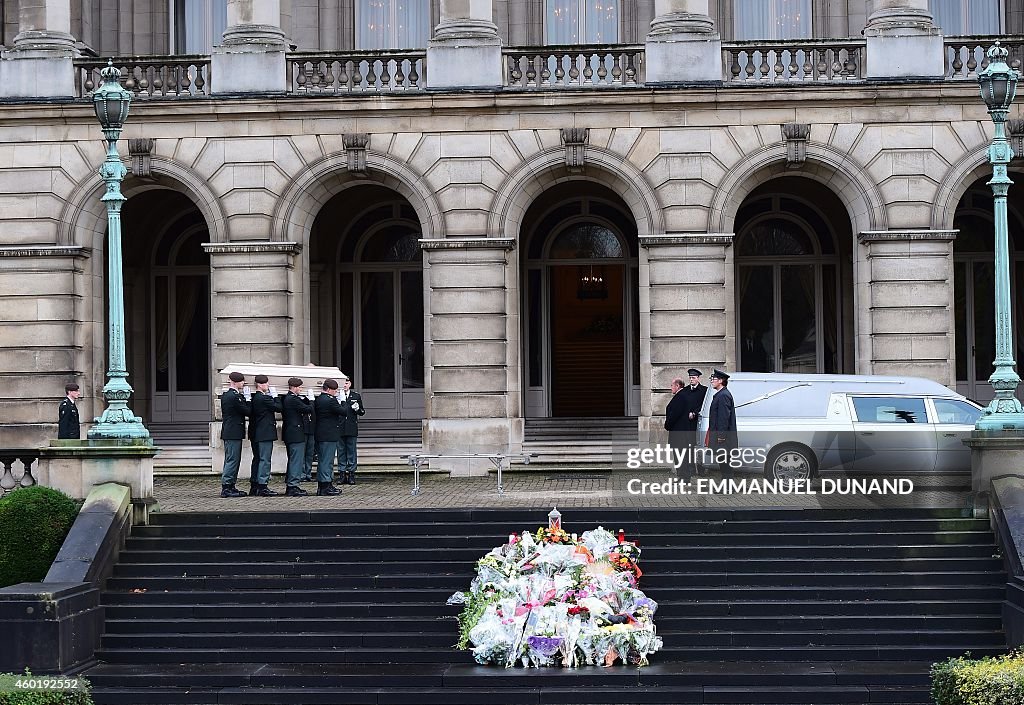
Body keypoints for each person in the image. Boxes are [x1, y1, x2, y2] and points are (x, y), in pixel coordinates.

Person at [664, 369, 707, 478]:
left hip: (697, 422)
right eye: (690, 378)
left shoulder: (704, 390)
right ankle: (689, 471)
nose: (691, 379)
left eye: (693, 377)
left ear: (698, 378)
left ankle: (697, 470)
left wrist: (695, 413)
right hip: (686, 424)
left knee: (696, 447)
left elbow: (704, 406)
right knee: (687, 449)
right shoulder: (685, 391)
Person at [247, 374, 282, 497]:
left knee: (257, 459)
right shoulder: (264, 398)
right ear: (260, 385)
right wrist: (276, 396)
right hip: (265, 433)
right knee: (265, 460)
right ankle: (263, 486)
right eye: (267, 384)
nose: (268, 386)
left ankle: (254, 486)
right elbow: (279, 407)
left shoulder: (254, 398)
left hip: (255, 433)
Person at [219, 372, 251, 498]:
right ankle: (227, 487)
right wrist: (247, 399)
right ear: (236, 382)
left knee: (231, 459)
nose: (243, 384)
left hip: (231, 431)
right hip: (233, 432)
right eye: (242, 381)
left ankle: (230, 485)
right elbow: (247, 411)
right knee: (232, 459)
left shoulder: (227, 395)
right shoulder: (234, 397)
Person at [281, 377, 313, 497]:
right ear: (294, 387)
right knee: (296, 460)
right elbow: (308, 409)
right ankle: (292, 486)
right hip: (295, 434)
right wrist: (311, 400)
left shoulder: (288, 398)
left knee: (293, 459)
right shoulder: (292, 399)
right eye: (299, 387)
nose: (300, 389)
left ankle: (292, 484)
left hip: (291, 433)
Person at [313, 379, 344, 496]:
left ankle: (324, 485)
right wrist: (343, 401)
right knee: (327, 461)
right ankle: (325, 486)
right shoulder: (330, 401)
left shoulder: (319, 399)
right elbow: (343, 411)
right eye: (335, 391)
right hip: (328, 434)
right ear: (330, 390)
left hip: (322, 434)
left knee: (323, 460)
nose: (335, 393)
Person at [707, 369, 738, 474]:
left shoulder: (723, 395)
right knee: (724, 463)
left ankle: (727, 488)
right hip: (722, 437)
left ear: (720, 381)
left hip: (723, 438)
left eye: (714, 379)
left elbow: (723, 417)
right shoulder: (721, 394)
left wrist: (721, 436)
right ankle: (728, 487)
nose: (712, 381)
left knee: (725, 464)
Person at [337, 375, 365, 485]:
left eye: (347, 383)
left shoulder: (355, 396)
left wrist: (357, 409)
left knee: (351, 452)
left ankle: (351, 473)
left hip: (351, 427)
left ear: (350, 384)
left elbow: (362, 412)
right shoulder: (337, 396)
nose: (345, 385)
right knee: (341, 452)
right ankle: (342, 473)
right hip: (339, 427)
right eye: (343, 383)